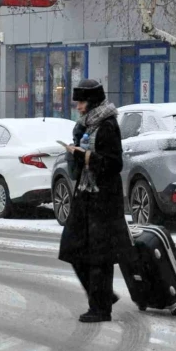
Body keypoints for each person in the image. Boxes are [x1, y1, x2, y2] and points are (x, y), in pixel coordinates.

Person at [58, 79, 134, 323]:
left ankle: (100, 308)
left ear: (91, 102)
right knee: (71, 248)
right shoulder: (85, 126)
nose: (78, 107)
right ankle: (101, 295)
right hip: (85, 195)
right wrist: (76, 151)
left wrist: (84, 155)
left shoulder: (108, 126)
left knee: (99, 256)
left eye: (81, 102)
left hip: (103, 200)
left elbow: (114, 164)